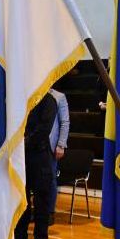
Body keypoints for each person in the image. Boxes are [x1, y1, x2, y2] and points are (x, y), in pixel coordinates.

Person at [14, 93, 58, 239]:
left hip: (39, 156)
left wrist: (23, 143)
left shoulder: (48, 101)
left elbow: (43, 129)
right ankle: (20, 237)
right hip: (22, 157)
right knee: (21, 197)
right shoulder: (23, 99)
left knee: (41, 201)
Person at [48, 88, 70, 225]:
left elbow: (65, 122)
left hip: (51, 145)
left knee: (50, 180)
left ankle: (50, 212)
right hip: (33, 145)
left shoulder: (59, 96)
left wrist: (61, 144)